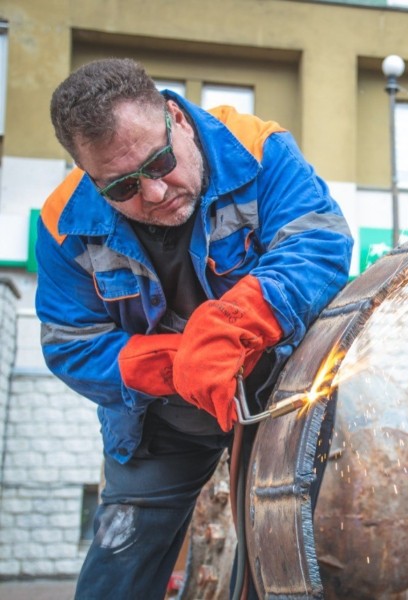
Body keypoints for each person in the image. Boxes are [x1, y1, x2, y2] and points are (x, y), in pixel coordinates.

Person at [35, 58, 353, 598]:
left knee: (278, 555)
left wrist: (233, 325)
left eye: (158, 162)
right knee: (121, 557)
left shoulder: (258, 148)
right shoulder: (63, 222)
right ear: (91, 180)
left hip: (277, 395)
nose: (154, 194)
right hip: (158, 419)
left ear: (177, 118)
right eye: (122, 188)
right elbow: (70, 343)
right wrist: (171, 363)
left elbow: (318, 245)